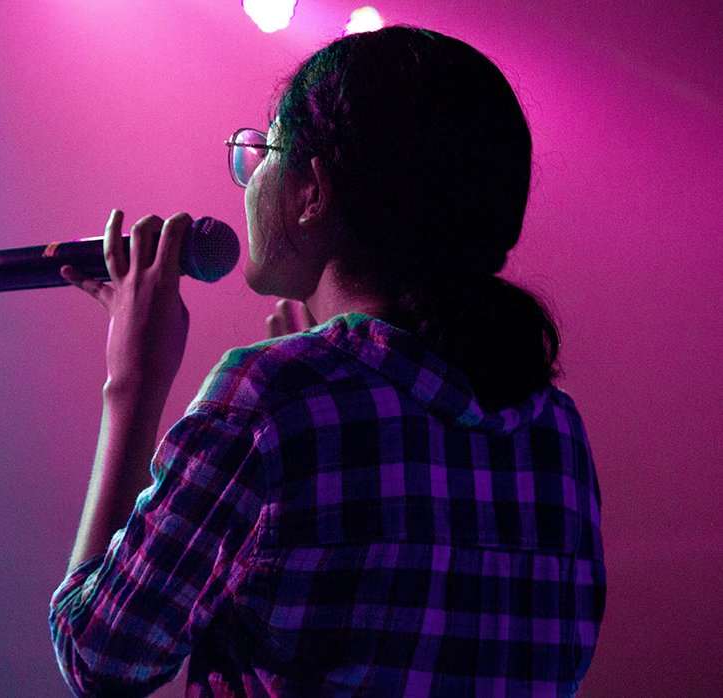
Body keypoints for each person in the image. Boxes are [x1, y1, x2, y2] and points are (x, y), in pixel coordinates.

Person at [50, 25, 606, 697]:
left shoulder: (268, 398)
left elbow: (101, 656)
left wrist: (134, 382)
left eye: (259, 156)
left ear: (312, 192)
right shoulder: (555, 431)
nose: (247, 179)